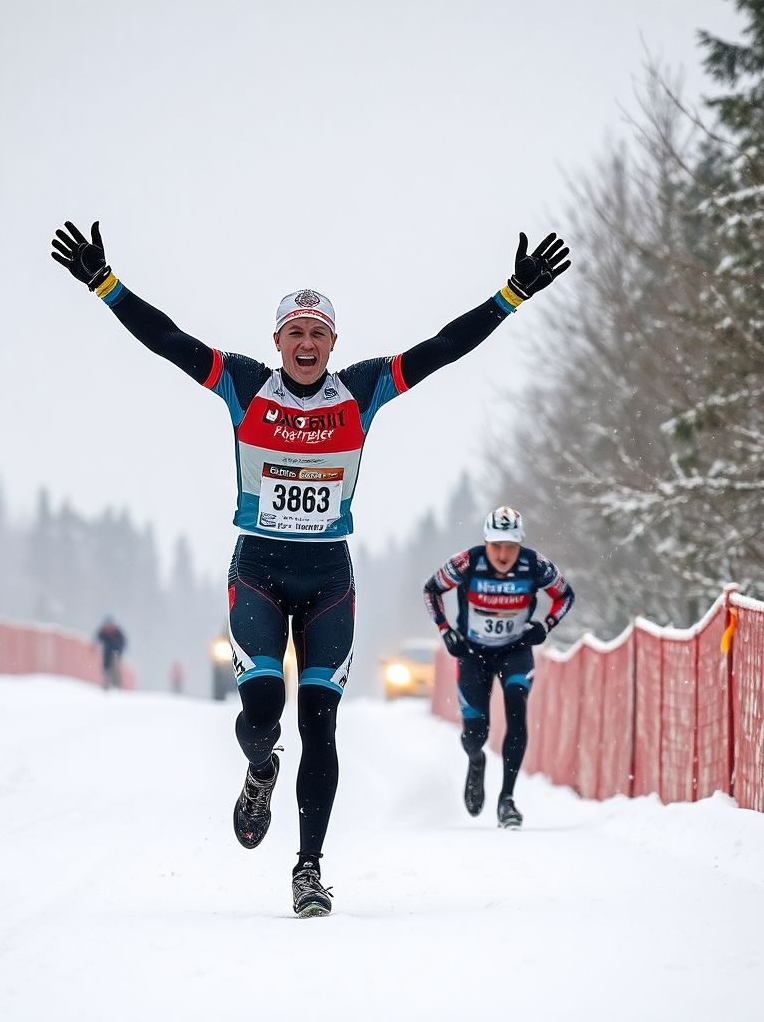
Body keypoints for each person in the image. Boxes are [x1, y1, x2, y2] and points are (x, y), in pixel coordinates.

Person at [52, 219, 571, 916]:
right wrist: (105, 285)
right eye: (294, 333)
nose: (305, 344)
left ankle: (308, 870)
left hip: (329, 579)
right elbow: (169, 340)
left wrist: (510, 296)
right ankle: (260, 767)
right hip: (258, 571)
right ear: (277, 342)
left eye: (317, 334)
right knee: (263, 711)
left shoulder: (361, 391)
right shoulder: (244, 385)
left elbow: (443, 348)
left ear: (333, 343)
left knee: (320, 724)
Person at [423, 507, 575, 829]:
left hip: (515, 651)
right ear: (486, 543)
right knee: (475, 733)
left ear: (520, 544)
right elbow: (431, 589)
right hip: (472, 653)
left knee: (517, 708)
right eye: (496, 546)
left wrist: (546, 626)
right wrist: (445, 630)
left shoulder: (535, 565)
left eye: (510, 546)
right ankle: (476, 760)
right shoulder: (468, 561)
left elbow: (565, 595)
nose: (503, 555)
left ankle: (507, 800)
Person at [96, 615, 127, 690]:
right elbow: (98, 638)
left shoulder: (117, 632)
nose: (109, 626)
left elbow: (123, 642)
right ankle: (106, 686)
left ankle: (117, 686)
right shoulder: (104, 632)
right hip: (106, 654)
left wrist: (119, 650)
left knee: (115, 669)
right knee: (106, 669)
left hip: (115, 653)